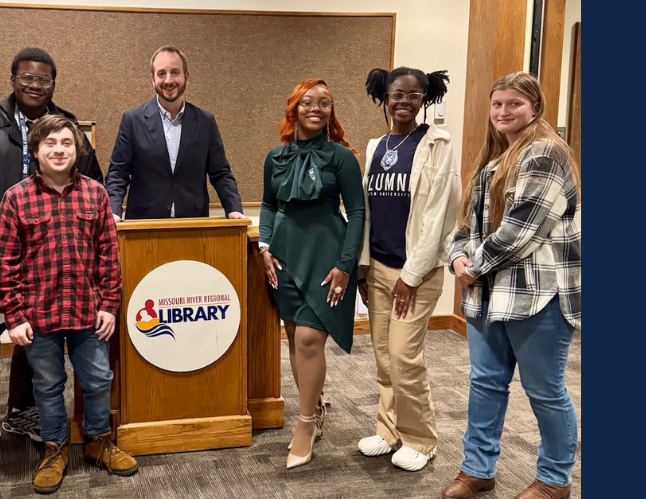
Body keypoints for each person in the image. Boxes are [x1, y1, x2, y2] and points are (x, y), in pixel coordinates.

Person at [0, 47, 104, 469]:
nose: (35, 85)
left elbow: (93, 183)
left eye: (43, 79)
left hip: (50, 250)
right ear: (13, 78)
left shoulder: (69, 129)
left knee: (36, 334)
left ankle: (21, 411)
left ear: (54, 83)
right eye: (27, 78)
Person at [440, 72, 581, 499]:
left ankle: (556, 478)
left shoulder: (546, 154)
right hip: (488, 294)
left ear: (535, 107)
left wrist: (472, 264)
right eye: (497, 103)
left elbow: (521, 232)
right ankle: (478, 469)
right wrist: (457, 259)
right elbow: (465, 226)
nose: (503, 111)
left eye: (514, 104)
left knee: (544, 390)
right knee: (485, 385)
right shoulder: (493, 158)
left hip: (537, 295)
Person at [0, 114, 138, 494]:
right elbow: (4, 263)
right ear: (36, 151)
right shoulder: (16, 198)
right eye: (50, 144)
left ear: (78, 149)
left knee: (98, 378)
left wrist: (109, 304)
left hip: (89, 312)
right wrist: (13, 316)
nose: (59, 150)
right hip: (37, 316)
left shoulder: (95, 193)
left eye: (67, 143)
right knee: (48, 384)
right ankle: (55, 449)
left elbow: (108, 255)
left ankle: (97, 441)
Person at [356, 67, 459, 471]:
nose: (404, 102)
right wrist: (364, 271)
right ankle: (389, 430)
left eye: (413, 96)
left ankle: (421, 438)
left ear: (424, 99)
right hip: (379, 265)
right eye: (397, 94)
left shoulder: (437, 145)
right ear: (385, 95)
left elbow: (437, 215)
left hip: (415, 273)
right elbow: (367, 212)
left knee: (404, 355)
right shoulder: (375, 145)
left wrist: (411, 277)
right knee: (383, 355)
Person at [258, 79, 364, 469]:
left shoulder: (341, 158)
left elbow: (356, 213)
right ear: (294, 109)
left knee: (307, 338)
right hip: (284, 255)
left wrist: (345, 265)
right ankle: (315, 405)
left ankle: (305, 424)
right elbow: (269, 204)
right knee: (293, 335)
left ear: (331, 112)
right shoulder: (276, 156)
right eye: (307, 102)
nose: (315, 108)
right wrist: (264, 247)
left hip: (326, 256)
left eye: (324, 103)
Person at [105, 45, 245, 220]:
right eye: (161, 73)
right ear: (152, 79)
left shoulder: (205, 121)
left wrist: (234, 209)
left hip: (192, 224)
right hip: (144, 226)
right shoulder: (133, 120)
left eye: (175, 72)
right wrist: (113, 212)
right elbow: (118, 173)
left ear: (186, 77)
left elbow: (221, 173)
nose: (168, 80)